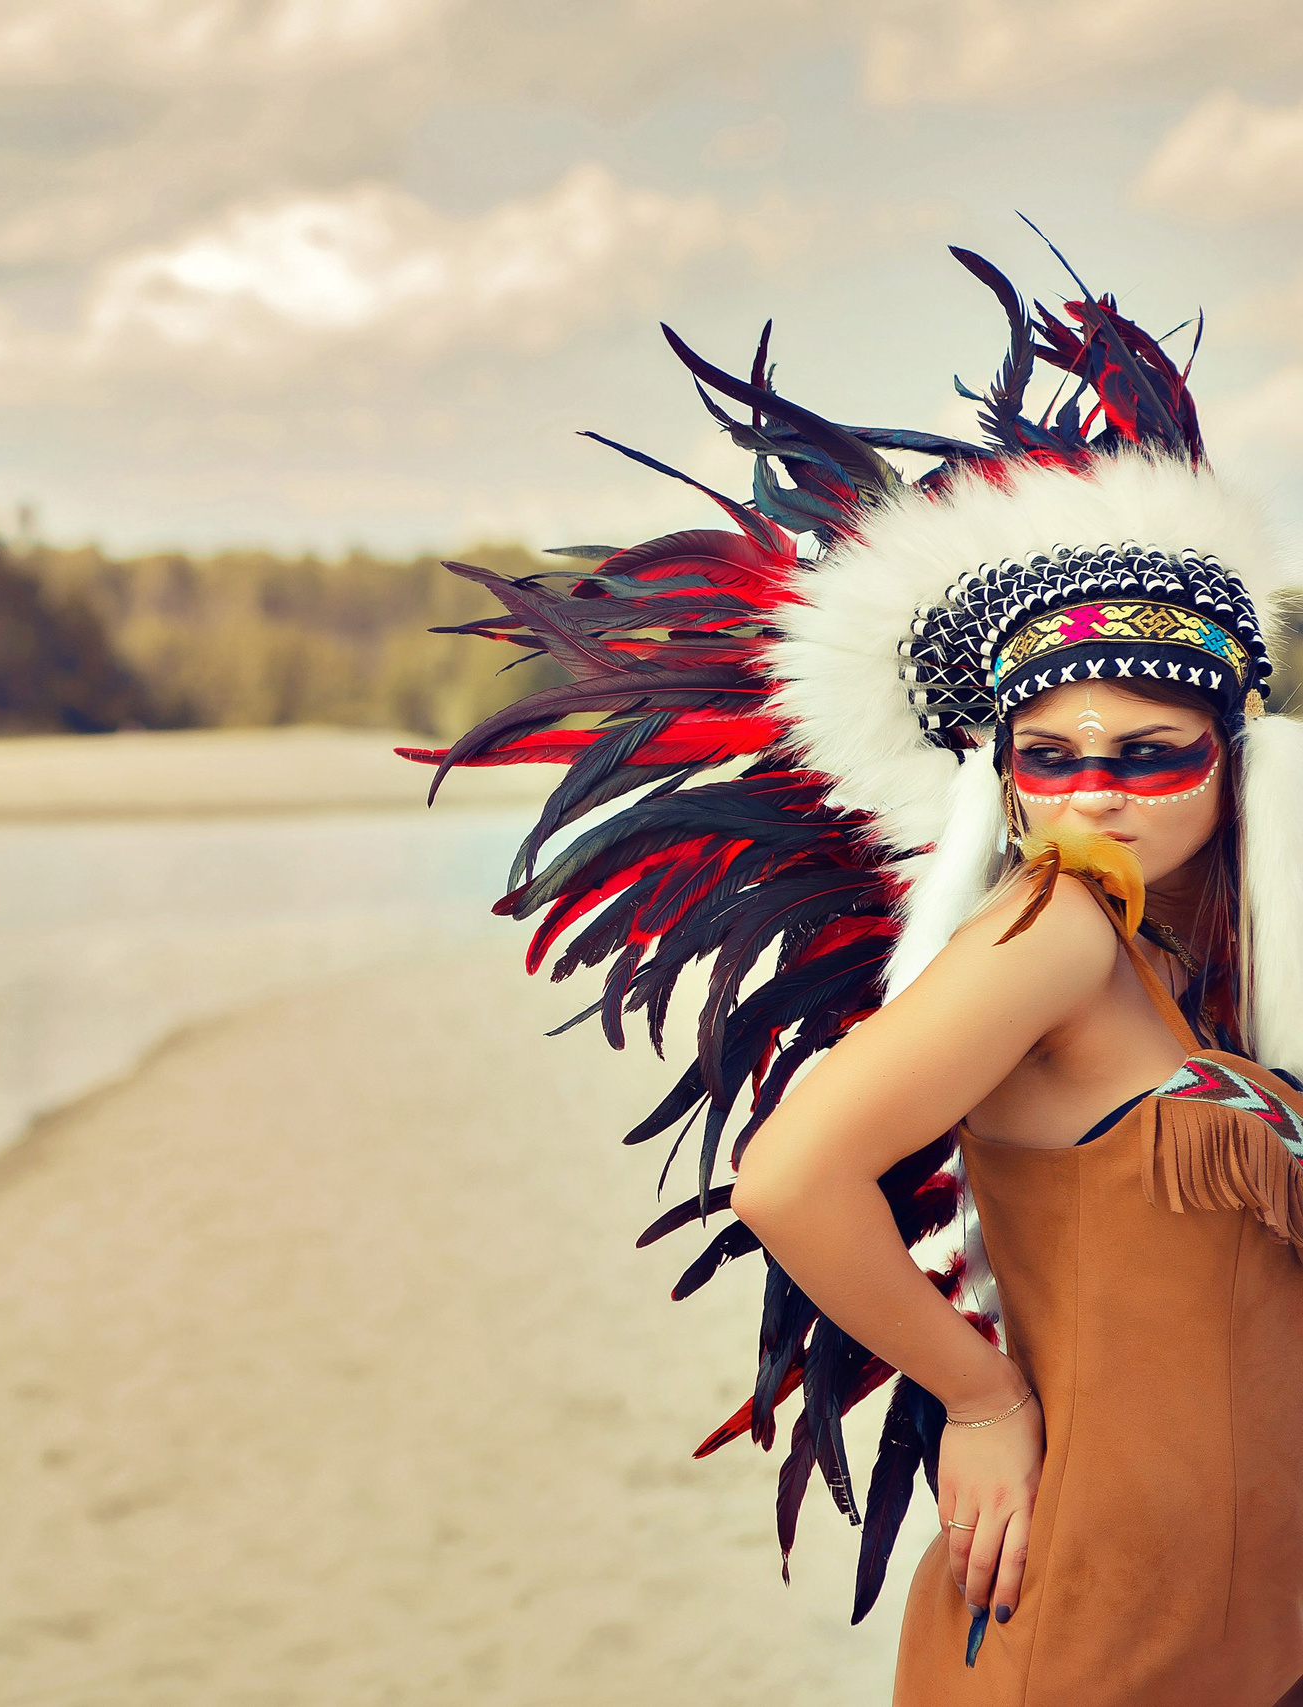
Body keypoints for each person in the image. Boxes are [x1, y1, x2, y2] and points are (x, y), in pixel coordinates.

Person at [411, 247, 1303, 1704]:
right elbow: (791, 1175)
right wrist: (978, 1396)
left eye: (1154, 756)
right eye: (1054, 762)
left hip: (1238, 1598)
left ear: (1232, 757)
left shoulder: (1188, 964)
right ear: (1001, 780)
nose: (1102, 799)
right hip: (1095, 1592)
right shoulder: (1053, 932)